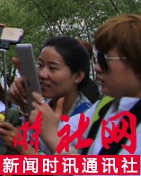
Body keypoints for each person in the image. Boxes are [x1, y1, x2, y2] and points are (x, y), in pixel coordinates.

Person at [33, 14, 141, 158]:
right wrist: (28, 99)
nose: (97, 68)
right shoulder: (105, 106)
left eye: (105, 59)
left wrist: (51, 136)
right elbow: (64, 134)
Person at [0, 36, 97, 154]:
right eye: (40, 65)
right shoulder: (42, 106)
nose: (42, 74)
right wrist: (26, 106)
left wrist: (24, 149)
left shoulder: (89, 120)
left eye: (52, 68)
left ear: (78, 76)